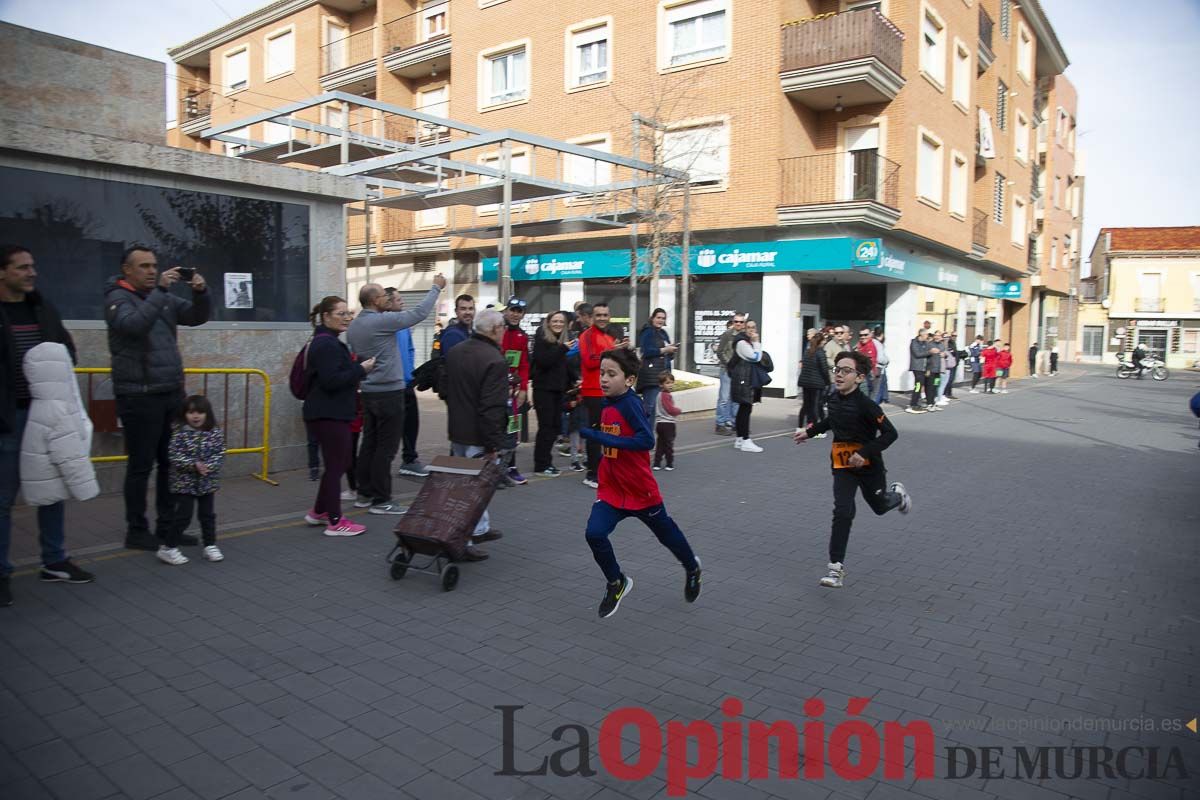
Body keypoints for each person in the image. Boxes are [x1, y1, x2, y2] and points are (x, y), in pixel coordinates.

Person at [579, 347, 702, 618]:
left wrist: (602, 438)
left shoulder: (631, 403)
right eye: (602, 373)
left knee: (667, 535)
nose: (604, 379)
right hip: (611, 491)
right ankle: (616, 581)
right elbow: (612, 432)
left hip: (639, 490)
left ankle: (692, 568)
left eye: (612, 374)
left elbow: (646, 440)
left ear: (630, 380)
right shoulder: (607, 403)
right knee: (594, 534)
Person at [105, 245, 212, 551]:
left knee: (171, 463)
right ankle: (136, 531)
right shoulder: (117, 298)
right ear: (127, 270)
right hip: (138, 395)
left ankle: (168, 529)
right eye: (143, 266)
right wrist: (160, 293)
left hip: (169, 392)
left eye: (154, 266)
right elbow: (134, 326)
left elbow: (194, 317)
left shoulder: (162, 298)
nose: (152, 271)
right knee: (141, 466)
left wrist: (201, 293)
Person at [793, 350, 911, 589]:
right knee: (843, 511)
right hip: (842, 465)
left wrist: (864, 453)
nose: (839, 375)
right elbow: (831, 421)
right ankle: (835, 569)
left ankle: (897, 496)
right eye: (837, 370)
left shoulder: (867, 406)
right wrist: (809, 431)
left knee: (879, 507)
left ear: (859, 377)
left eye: (846, 371)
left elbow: (891, 434)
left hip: (869, 467)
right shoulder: (833, 398)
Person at [346, 277, 444, 515]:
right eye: (383, 296)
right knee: (385, 449)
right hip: (389, 392)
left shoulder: (354, 326)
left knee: (369, 444)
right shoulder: (381, 321)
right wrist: (436, 288)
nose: (387, 299)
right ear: (374, 300)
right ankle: (382, 500)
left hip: (369, 392)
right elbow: (419, 313)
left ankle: (364, 494)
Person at [302, 296, 376, 536]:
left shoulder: (327, 341)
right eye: (341, 314)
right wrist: (360, 369)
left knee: (338, 463)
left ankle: (319, 511)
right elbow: (332, 380)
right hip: (328, 413)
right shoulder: (327, 344)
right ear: (326, 317)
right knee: (337, 465)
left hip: (329, 412)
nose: (347, 318)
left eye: (348, 313)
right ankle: (335, 521)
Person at [444, 309, 510, 560]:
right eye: (502, 327)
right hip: (478, 435)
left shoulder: (456, 351)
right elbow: (491, 407)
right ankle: (464, 540)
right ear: (494, 330)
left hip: (457, 429)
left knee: (465, 485)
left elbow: (445, 389)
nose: (503, 331)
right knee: (473, 490)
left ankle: (479, 528)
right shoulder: (494, 360)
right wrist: (493, 443)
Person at [160, 395, 225, 566]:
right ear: (184, 414)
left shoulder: (215, 432)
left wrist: (208, 466)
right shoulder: (179, 432)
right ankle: (168, 548)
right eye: (191, 412)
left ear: (207, 414)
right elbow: (174, 456)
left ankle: (210, 545)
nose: (196, 416)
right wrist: (193, 465)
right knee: (183, 516)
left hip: (206, 482)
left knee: (207, 515)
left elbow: (219, 453)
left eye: (200, 412)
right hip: (184, 483)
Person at [578, 302, 627, 488]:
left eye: (605, 315)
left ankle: (605, 472)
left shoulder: (608, 336)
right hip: (593, 392)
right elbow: (590, 361)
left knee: (609, 432)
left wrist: (621, 351)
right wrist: (612, 352)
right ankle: (591, 474)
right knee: (596, 433)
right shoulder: (587, 335)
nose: (602, 318)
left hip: (610, 392)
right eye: (598, 315)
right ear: (592, 316)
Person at [384, 290, 429, 478]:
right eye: (398, 299)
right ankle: (383, 464)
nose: (402, 302)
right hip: (391, 386)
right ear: (387, 302)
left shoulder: (404, 324)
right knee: (390, 429)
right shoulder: (384, 324)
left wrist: (410, 371)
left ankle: (409, 460)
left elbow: (410, 348)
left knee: (412, 423)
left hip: (407, 383)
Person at [531, 310, 572, 476]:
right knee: (546, 428)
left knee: (555, 428)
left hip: (557, 391)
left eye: (561, 322)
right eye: (555, 321)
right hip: (543, 391)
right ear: (548, 323)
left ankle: (547, 462)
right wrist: (562, 348)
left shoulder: (559, 341)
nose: (558, 324)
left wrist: (573, 381)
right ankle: (541, 465)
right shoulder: (542, 339)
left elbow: (562, 367)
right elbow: (544, 361)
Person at [500, 297, 531, 485]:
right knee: (496, 429)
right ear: (506, 311)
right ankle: (496, 469)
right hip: (495, 390)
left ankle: (511, 467)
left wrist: (524, 389)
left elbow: (524, 365)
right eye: (512, 310)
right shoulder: (497, 331)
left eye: (519, 311)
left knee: (513, 429)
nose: (515, 314)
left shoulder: (522, 336)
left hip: (513, 391)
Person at [729, 320, 766, 453]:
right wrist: (757, 342)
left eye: (753, 327)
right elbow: (755, 357)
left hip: (743, 379)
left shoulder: (745, 341)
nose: (751, 330)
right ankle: (745, 440)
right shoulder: (742, 343)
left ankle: (739, 439)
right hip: (743, 380)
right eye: (748, 327)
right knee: (746, 409)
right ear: (744, 329)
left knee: (744, 409)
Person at [636, 308, 678, 421]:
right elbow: (646, 351)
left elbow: (667, 352)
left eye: (663, 318)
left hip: (662, 376)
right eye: (658, 317)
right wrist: (664, 350)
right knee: (650, 409)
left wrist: (671, 350)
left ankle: (653, 436)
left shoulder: (663, 333)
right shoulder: (648, 331)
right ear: (652, 318)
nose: (660, 320)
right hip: (651, 377)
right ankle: (646, 436)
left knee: (659, 410)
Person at [714, 314, 746, 435]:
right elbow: (720, 352)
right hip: (727, 370)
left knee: (736, 398)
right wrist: (729, 364)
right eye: (736, 321)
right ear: (733, 322)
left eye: (741, 322)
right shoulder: (727, 334)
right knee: (724, 397)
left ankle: (734, 423)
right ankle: (720, 424)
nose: (738, 324)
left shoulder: (744, 335)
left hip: (739, 371)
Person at [797, 330, 831, 434]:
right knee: (815, 406)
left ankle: (801, 426)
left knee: (806, 405)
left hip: (805, 382)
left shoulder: (808, 351)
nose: (825, 342)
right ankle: (815, 429)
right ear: (821, 342)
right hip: (816, 383)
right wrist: (828, 382)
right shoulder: (820, 352)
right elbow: (824, 369)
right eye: (824, 340)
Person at [653, 371, 682, 471]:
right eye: (667, 383)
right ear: (661, 384)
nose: (670, 385)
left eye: (671, 382)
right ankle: (669, 463)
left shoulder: (659, 395)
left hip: (659, 423)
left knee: (660, 444)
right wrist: (678, 410)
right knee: (668, 444)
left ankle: (657, 463)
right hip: (668, 423)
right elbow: (670, 409)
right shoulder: (666, 395)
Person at [906, 329, 935, 414]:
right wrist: (929, 352)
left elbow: (929, 356)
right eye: (926, 334)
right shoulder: (914, 342)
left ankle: (917, 403)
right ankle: (913, 404)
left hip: (924, 368)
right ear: (921, 335)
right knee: (918, 385)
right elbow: (917, 354)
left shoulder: (926, 343)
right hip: (917, 368)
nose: (927, 336)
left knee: (921, 385)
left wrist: (928, 368)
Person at [855, 328, 878, 398]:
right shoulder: (859, 345)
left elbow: (869, 363)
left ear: (870, 335)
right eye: (861, 335)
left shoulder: (870, 346)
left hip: (867, 375)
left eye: (865, 335)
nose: (863, 337)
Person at [872, 327, 890, 405]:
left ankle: (883, 398)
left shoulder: (872, 342)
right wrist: (887, 360)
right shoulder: (878, 344)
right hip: (878, 368)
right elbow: (880, 358)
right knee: (877, 390)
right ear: (882, 334)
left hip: (873, 368)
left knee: (875, 388)